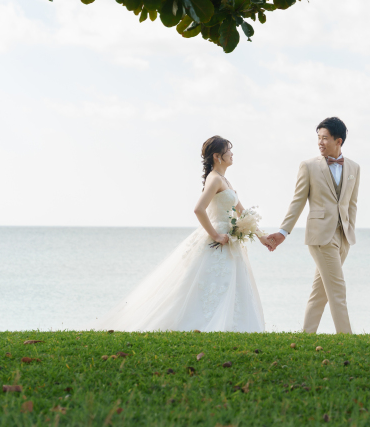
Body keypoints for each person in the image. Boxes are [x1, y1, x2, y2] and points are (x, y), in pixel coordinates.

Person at [94, 136, 272, 332]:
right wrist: (215, 235)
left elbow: (242, 212)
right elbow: (199, 209)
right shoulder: (214, 179)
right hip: (219, 239)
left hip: (230, 240)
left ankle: (232, 325)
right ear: (217, 156)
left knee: (228, 283)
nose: (232, 153)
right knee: (209, 283)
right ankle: (205, 324)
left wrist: (261, 236)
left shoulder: (224, 180)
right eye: (228, 150)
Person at [267, 117, 360, 334]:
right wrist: (283, 232)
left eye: (324, 138)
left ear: (339, 141)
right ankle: (346, 338)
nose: (320, 142)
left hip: (343, 237)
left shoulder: (355, 168)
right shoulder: (308, 166)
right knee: (337, 290)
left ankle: (306, 335)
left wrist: (349, 231)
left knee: (320, 294)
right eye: (318, 138)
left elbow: (352, 204)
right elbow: (298, 200)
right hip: (321, 237)